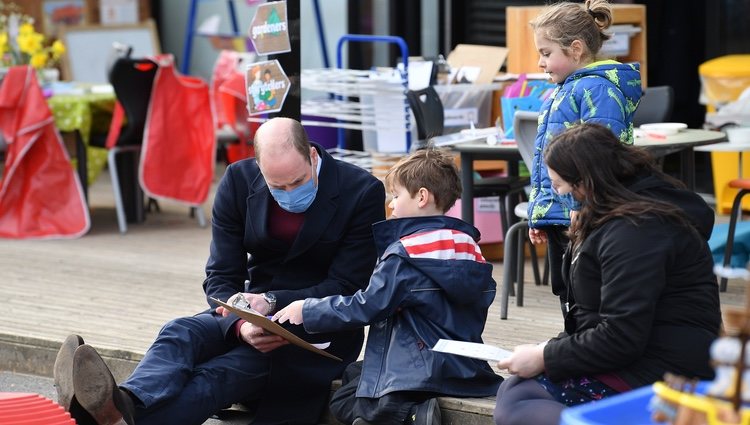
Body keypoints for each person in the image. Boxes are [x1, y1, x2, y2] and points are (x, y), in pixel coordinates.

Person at [53, 117, 387, 425]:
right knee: (180, 332)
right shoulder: (239, 181)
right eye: (277, 185)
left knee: (219, 374)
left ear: (313, 155)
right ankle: (124, 403)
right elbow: (221, 275)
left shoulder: (361, 191)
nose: (289, 192)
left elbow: (346, 285)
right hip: (246, 312)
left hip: (318, 327)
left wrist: (271, 301)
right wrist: (240, 323)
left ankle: (115, 415)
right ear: (259, 168)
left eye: (298, 181)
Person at [493, 123, 722, 425]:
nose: (557, 194)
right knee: (516, 391)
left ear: (586, 183)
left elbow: (621, 335)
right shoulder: (616, 215)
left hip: (667, 366)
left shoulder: (637, 230)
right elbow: (595, 314)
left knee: (519, 405)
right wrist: (547, 352)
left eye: (560, 185)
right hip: (641, 351)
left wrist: (545, 356)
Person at [270, 149, 503, 425]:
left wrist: (307, 310)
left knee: (345, 400)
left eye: (396, 195)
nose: (391, 205)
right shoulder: (470, 249)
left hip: (417, 369)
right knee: (355, 374)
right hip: (464, 366)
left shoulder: (405, 254)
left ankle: (416, 417)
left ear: (421, 197)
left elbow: (367, 306)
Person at [525, 0, 642, 314]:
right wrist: (541, 211)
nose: (540, 63)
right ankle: (573, 347)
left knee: (586, 291)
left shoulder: (598, 91)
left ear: (575, 49)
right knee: (566, 288)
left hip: (584, 214)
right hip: (561, 213)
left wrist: (582, 207)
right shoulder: (566, 89)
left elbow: (599, 160)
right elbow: (547, 160)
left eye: (546, 53)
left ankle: (585, 352)